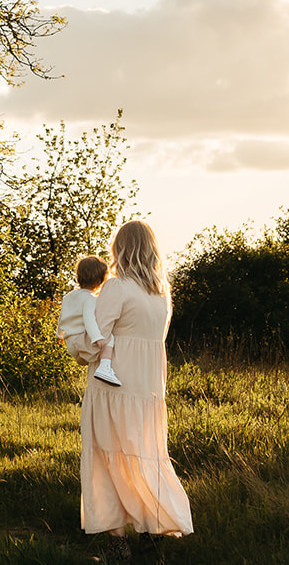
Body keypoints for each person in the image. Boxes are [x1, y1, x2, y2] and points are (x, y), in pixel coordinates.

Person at [81, 220, 193, 559]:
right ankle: (153, 527)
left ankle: (118, 543)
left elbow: (92, 341)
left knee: (107, 459)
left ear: (121, 248)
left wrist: (73, 343)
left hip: (112, 387)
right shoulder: (162, 294)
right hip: (148, 391)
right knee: (145, 457)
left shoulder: (116, 288)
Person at [59, 255, 121, 386]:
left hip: (70, 341)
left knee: (85, 357)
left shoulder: (69, 296)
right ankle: (105, 366)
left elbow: (63, 316)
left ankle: (84, 358)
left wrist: (60, 335)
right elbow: (89, 319)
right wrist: (97, 337)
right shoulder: (90, 299)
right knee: (109, 337)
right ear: (100, 280)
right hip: (81, 340)